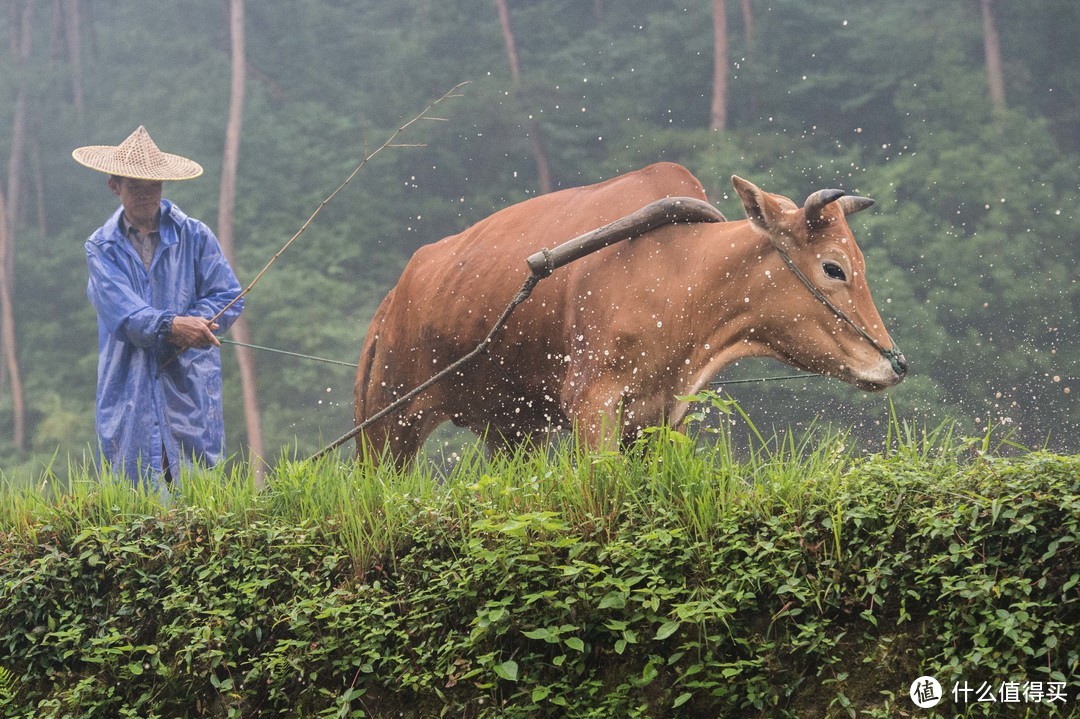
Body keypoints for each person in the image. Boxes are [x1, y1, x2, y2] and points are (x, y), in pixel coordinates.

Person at [73, 125, 244, 486]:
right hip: (128, 388)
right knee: (135, 497)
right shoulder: (101, 248)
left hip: (189, 385)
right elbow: (125, 315)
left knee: (200, 493)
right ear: (115, 186)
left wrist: (196, 323)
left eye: (153, 185)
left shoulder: (195, 235)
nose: (146, 194)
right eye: (135, 185)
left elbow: (228, 295)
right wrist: (173, 326)